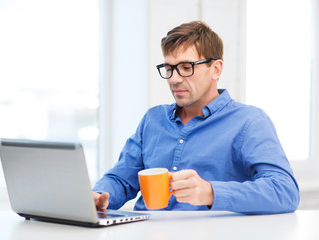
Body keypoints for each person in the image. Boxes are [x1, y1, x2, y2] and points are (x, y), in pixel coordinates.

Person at [92, 20, 299, 214]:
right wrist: (99, 196)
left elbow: (285, 191)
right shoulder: (152, 119)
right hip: (146, 232)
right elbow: (121, 179)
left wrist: (210, 192)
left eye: (185, 68)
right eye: (169, 68)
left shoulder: (249, 122)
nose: (174, 79)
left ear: (216, 69)